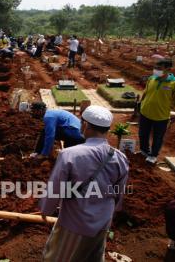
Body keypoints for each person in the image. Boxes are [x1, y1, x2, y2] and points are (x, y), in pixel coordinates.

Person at [40, 105, 129, 262]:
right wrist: (111, 213)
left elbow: (56, 189)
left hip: (75, 222)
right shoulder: (120, 157)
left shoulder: (69, 155)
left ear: (85, 125)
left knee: (57, 257)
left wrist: (46, 210)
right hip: (103, 222)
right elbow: (119, 194)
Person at [138, 59, 175, 164]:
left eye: (159, 68)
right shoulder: (151, 78)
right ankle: (144, 151)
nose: (156, 70)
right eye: (155, 68)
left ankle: (153, 155)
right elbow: (146, 92)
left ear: (168, 69)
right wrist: (140, 103)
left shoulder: (173, 83)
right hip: (145, 112)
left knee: (158, 137)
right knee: (143, 134)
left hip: (161, 116)